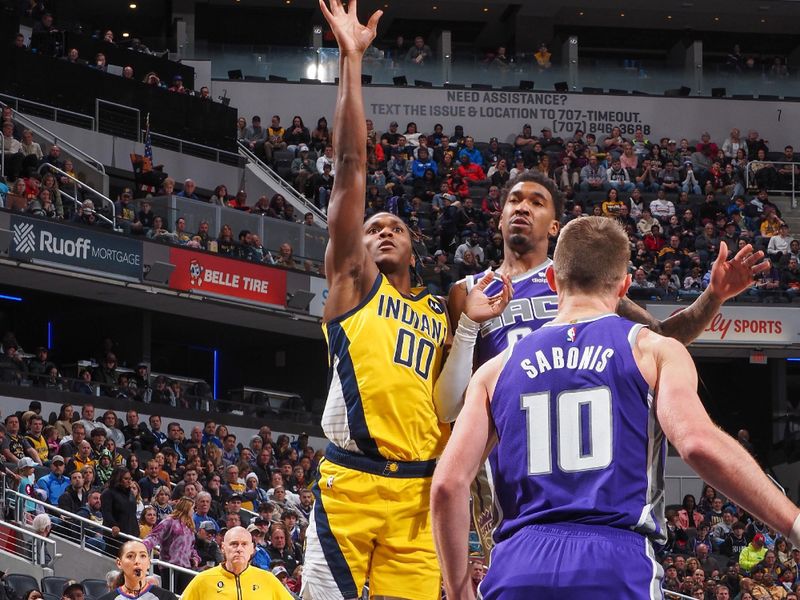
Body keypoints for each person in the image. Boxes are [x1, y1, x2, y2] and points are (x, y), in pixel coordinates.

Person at [431, 216, 800, 599]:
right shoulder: (652, 351)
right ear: (625, 285)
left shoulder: (496, 369)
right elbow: (696, 443)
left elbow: (447, 485)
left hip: (517, 566)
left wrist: (459, 590)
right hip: (616, 562)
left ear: (553, 280)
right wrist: (793, 522)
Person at [301, 3, 510, 599]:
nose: (382, 230)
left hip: (421, 495)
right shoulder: (350, 285)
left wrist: (467, 323)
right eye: (372, 228)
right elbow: (349, 168)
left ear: (414, 247)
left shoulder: (440, 309)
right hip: (351, 481)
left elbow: (452, 400)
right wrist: (351, 59)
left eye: (395, 226)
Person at [181, 526, 292, 600]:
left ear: (252, 549)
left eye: (244, 544)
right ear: (223, 547)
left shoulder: (268, 579)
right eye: (234, 544)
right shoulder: (202, 580)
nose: (239, 549)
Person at [98, 539, 178, 600]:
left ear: (148, 563)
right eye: (130, 556)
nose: (137, 561)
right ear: (119, 563)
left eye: (142, 556)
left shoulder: (167, 598)